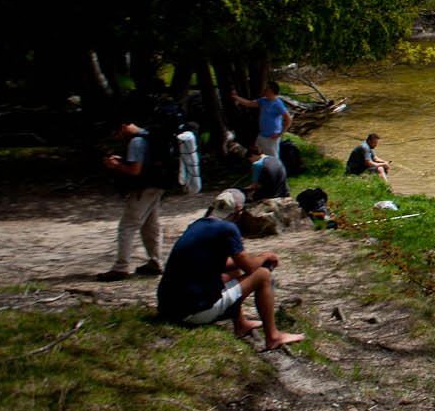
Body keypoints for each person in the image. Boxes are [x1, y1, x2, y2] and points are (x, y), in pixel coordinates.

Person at [156, 189, 305, 352]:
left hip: (168, 309)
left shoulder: (197, 224)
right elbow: (249, 266)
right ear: (238, 214)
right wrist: (264, 257)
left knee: (233, 272)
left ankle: (241, 324)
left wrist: (247, 262)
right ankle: (273, 337)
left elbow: (229, 263)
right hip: (193, 313)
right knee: (263, 275)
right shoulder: (227, 229)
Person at [96, 117, 163, 282]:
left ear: (123, 126)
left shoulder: (136, 142)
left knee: (127, 226)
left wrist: (115, 165)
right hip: (158, 184)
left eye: (116, 132)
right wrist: (122, 160)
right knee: (150, 225)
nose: (117, 136)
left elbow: (135, 170)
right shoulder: (149, 135)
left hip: (143, 188)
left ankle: (121, 267)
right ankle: (156, 262)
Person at [230, 81, 291, 157]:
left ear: (271, 90)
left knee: (272, 158)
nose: (264, 90)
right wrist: (236, 97)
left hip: (272, 137)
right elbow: (249, 103)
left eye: (266, 88)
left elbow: (288, 118)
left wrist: (280, 134)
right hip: (262, 135)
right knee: (257, 155)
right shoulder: (264, 100)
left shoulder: (278, 103)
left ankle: (276, 169)